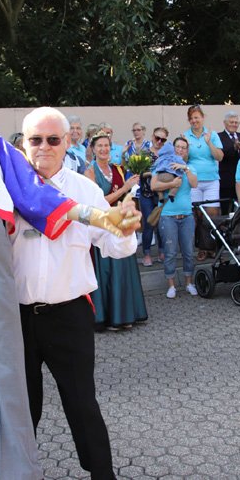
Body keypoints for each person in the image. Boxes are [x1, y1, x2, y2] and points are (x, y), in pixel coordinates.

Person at [0, 107, 139, 479]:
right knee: (17, 408)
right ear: (23, 144)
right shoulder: (1, 190)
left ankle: (102, 474)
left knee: (82, 403)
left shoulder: (84, 190)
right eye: (35, 139)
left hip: (69, 315)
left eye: (53, 139)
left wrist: (126, 229)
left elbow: (116, 248)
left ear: (67, 142)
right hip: (13, 318)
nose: (44, 147)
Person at [85, 133, 147, 330]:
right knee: (108, 271)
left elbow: (126, 196)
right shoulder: (89, 173)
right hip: (103, 226)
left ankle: (127, 314)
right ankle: (109, 317)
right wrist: (124, 188)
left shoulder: (118, 169)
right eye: (100, 146)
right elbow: (99, 202)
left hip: (121, 224)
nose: (103, 149)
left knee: (123, 269)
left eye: (106, 145)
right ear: (93, 149)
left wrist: (132, 192)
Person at [151, 137, 199, 299]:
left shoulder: (190, 167)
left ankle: (189, 283)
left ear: (187, 151)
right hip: (167, 216)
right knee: (170, 252)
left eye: (183, 148)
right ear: (173, 148)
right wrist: (171, 185)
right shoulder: (162, 164)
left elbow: (194, 184)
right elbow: (154, 185)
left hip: (187, 216)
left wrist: (185, 168)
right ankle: (171, 285)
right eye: (177, 147)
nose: (180, 150)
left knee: (188, 251)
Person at [184, 104, 224, 260]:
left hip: (211, 180)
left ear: (203, 117)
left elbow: (219, 157)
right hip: (194, 181)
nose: (194, 121)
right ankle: (201, 247)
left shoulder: (212, 134)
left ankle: (211, 247)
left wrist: (209, 143)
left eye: (197, 117)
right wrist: (186, 147)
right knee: (197, 215)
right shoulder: (185, 136)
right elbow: (183, 160)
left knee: (212, 216)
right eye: (191, 118)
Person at [138, 127, 169, 266]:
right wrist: (153, 174)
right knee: (149, 223)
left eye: (163, 139)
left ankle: (162, 252)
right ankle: (146, 254)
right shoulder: (144, 153)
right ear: (152, 137)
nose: (159, 141)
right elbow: (139, 173)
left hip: (162, 194)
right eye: (157, 138)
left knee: (162, 223)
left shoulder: (166, 154)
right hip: (147, 193)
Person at [217, 111, 240, 215]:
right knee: (226, 211)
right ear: (225, 123)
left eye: (236, 122)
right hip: (226, 180)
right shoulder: (219, 137)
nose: (234, 124)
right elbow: (221, 153)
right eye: (231, 122)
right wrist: (235, 147)